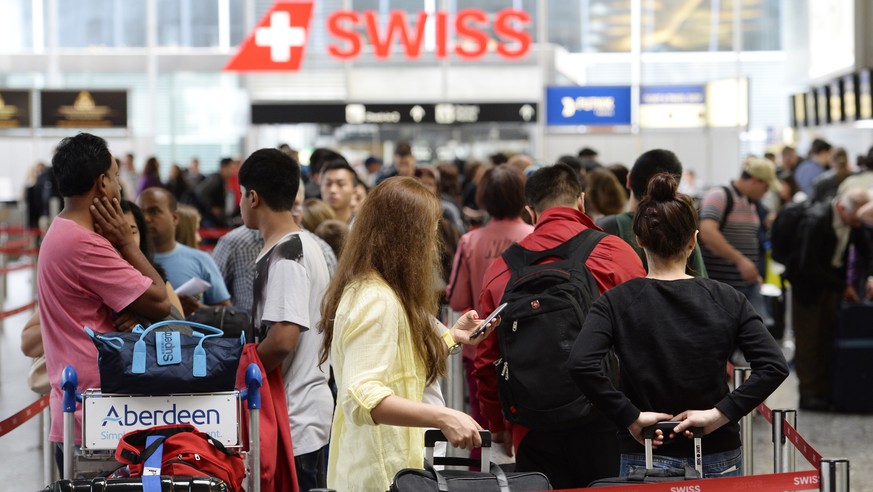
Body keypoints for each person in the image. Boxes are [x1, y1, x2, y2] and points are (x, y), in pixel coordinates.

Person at [568, 173, 789, 478]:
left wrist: (629, 416)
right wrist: (721, 413)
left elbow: (581, 363)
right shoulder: (727, 297)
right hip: (717, 449)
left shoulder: (616, 301)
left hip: (646, 449)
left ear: (639, 240)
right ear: (693, 240)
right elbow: (774, 366)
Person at [473, 163, 646, 489]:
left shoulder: (502, 269)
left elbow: (486, 357)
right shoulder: (614, 253)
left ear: (530, 210)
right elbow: (643, 335)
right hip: (607, 418)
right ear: (581, 200)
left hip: (533, 424)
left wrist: (498, 424)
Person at [319, 177, 497, 492]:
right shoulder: (376, 300)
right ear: (405, 239)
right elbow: (362, 396)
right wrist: (443, 417)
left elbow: (398, 364)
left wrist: (451, 337)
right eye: (427, 235)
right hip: (378, 474)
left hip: (389, 467)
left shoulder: (379, 291)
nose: (431, 247)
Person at [37, 133, 170, 471]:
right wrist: (128, 243)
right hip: (99, 420)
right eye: (114, 175)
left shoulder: (61, 231)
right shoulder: (85, 244)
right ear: (101, 184)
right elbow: (159, 302)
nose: (120, 186)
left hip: (82, 412)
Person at [237, 148, 333, 491]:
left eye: (240, 195)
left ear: (252, 197)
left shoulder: (287, 256)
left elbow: (282, 340)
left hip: (295, 420)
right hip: (301, 416)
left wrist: (241, 374)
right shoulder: (304, 245)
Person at [445, 165, 533, 457]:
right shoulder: (535, 237)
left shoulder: (471, 241)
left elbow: (457, 299)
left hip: (481, 350)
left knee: (481, 436)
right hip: (527, 352)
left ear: (483, 197)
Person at [783, 187, 873, 411]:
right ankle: (809, 395)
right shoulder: (816, 220)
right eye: (856, 219)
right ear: (842, 208)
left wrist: (870, 276)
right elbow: (808, 265)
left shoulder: (853, 221)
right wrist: (844, 286)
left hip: (832, 284)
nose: (859, 223)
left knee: (828, 336)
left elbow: (867, 250)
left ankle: (827, 392)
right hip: (808, 287)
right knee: (809, 342)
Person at [213, 181, 337, 312]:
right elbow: (212, 295)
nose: (288, 214)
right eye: (282, 207)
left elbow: (331, 305)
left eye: (294, 205)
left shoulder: (322, 250)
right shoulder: (234, 243)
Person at [597, 149, 707, 277]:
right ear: (672, 187)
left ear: (629, 179)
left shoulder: (606, 226)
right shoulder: (681, 227)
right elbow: (700, 281)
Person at [698, 158, 780, 323]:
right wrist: (740, 260)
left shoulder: (751, 204)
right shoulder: (720, 195)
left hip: (744, 289)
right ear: (755, 180)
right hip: (720, 291)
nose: (766, 192)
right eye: (765, 187)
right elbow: (706, 232)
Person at [138, 186, 231, 315]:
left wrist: (199, 309)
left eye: (154, 211)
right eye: (141, 213)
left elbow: (227, 313)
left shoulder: (201, 260)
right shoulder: (127, 261)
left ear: (174, 218)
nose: (146, 219)